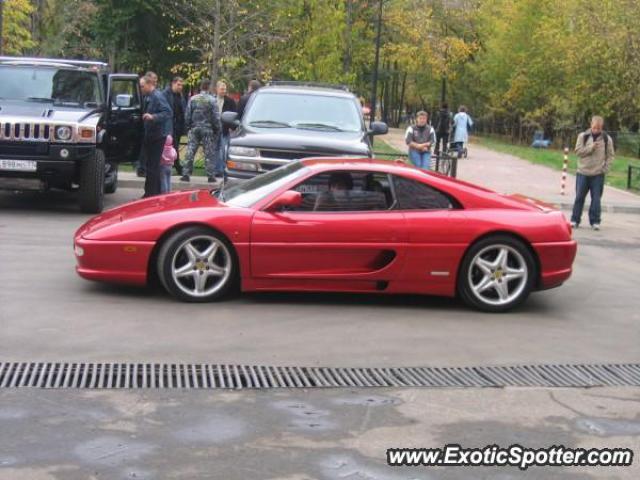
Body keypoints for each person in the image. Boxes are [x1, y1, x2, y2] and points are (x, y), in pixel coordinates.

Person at [570, 116, 614, 230]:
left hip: (598, 174)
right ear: (591, 125)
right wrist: (591, 147)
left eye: (599, 128)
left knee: (596, 199)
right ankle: (575, 220)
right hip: (583, 173)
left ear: (602, 127)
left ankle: (595, 221)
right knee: (579, 197)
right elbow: (578, 152)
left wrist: (605, 169)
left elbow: (610, 155)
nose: (596, 130)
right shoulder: (583, 136)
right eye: (594, 128)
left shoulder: (606, 139)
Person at [140, 73, 173, 198]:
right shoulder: (149, 96)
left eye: (142, 86)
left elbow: (167, 112)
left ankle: (150, 195)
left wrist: (153, 117)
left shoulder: (157, 96)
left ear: (149, 84)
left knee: (152, 166)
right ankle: (156, 193)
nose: (141, 89)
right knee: (152, 165)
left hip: (157, 136)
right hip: (152, 135)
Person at [181, 79, 220, 183]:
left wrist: (188, 127)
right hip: (207, 129)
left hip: (194, 128)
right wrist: (217, 128)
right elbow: (216, 117)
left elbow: (187, 115)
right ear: (209, 87)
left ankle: (186, 174)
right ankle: (211, 175)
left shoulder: (193, 99)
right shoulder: (212, 100)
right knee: (209, 152)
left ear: (201, 86)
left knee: (190, 150)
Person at [134, 71, 160, 177]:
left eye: (156, 80)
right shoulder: (146, 94)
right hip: (145, 125)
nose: (155, 82)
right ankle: (141, 167)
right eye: (154, 80)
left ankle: (143, 168)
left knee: (146, 149)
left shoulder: (155, 95)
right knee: (144, 148)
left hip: (150, 126)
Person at [163, 76, 187, 176]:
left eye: (181, 85)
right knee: (169, 147)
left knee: (175, 146)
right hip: (167, 125)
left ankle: (176, 166)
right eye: (178, 84)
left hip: (177, 126)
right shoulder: (165, 94)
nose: (180, 87)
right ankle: (176, 166)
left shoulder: (180, 96)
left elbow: (183, 111)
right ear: (173, 83)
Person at [214, 80, 237, 179]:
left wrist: (232, 128)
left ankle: (222, 170)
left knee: (223, 151)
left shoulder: (230, 101)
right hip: (214, 130)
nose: (223, 91)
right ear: (217, 89)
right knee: (215, 151)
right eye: (222, 89)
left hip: (224, 129)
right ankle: (216, 170)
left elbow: (234, 115)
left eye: (225, 89)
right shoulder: (213, 100)